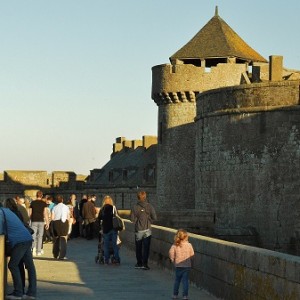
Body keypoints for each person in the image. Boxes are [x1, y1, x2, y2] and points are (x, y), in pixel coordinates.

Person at [0, 206, 37, 299]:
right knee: (30, 266)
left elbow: (0, 231)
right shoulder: (7, 210)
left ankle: (18, 292)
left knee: (12, 265)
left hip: (19, 241)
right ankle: (31, 293)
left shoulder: (0, 213)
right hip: (27, 237)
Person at [130, 190, 157, 270]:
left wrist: (137, 219)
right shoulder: (149, 206)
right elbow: (155, 218)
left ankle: (139, 263)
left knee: (138, 247)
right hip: (147, 230)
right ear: (145, 197)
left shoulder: (135, 207)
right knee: (146, 248)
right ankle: (145, 264)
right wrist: (149, 219)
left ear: (138, 197)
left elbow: (132, 219)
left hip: (138, 229)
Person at [169, 229, 195, 300]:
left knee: (177, 280)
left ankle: (175, 294)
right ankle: (185, 296)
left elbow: (171, 252)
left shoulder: (175, 245)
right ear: (186, 237)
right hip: (187, 266)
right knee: (185, 281)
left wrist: (172, 260)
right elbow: (192, 255)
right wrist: (192, 263)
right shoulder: (189, 245)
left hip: (178, 266)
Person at [98, 195, 120, 265]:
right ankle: (116, 259)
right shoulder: (113, 208)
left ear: (104, 201)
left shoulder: (102, 209)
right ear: (111, 201)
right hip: (113, 229)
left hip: (106, 229)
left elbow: (99, 218)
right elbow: (117, 217)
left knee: (106, 245)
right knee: (114, 245)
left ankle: (106, 260)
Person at [29, 190, 49, 256]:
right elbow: (45, 213)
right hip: (41, 221)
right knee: (40, 236)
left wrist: (30, 220)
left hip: (34, 220)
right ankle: (39, 251)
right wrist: (47, 222)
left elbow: (30, 213)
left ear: (36, 195)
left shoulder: (32, 203)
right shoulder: (44, 203)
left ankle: (33, 249)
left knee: (33, 236)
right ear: (42, 196)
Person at [51, 195, 70, 260]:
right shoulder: (66, 207)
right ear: (62, 200)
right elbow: (68, 216)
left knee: (56, 239)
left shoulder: (54, 207)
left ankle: (55, 254)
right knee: (63, 239)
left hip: (56, 222)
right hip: (64, 222)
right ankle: (62, 255)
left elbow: (52, 217)